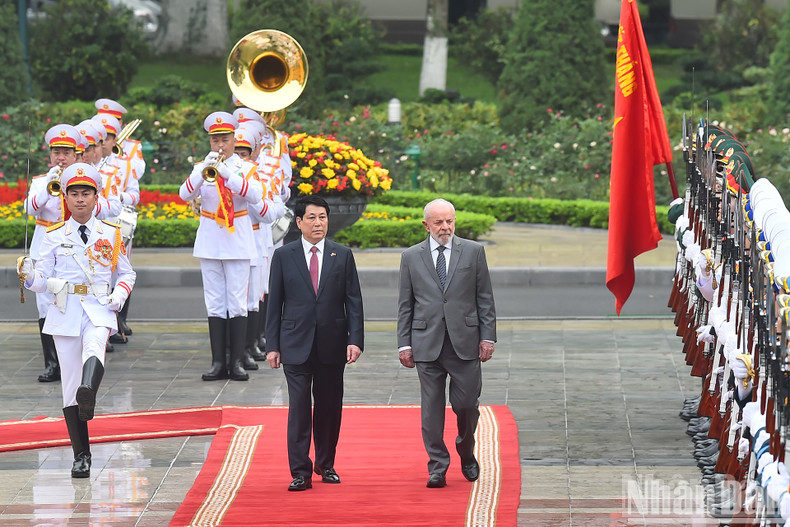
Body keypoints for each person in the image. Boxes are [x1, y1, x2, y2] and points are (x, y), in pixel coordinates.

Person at [17, 163, 136, 478]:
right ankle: (81, 455)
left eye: (86, 193)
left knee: (96, 345)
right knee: (69, 386)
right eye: (74, 193)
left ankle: (89, 389)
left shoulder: (110, 233)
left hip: (99, 306)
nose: (80, 199)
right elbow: (42, 281)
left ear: (96, 197)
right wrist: (29, 276)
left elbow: (126, 273)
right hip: (65, 308)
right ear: (65, 199)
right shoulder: (54, 235)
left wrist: (119, 297)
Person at [265, 195, 364, 491]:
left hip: (333, 344)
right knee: (298, 408)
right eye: (312, 217)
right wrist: (273, 345)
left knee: (329, 407)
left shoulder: (342, 254)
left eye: (322, 217)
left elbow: (354, 302)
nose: (318, 223)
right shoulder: (284, 256)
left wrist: (355, 340)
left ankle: (326, 463)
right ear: (299, 222)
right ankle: (300, 471)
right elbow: (275, 304)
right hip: (294, 343)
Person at [397, 198, 496, 489]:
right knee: (431, 408)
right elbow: (405, 304)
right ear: (426, 225)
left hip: (464, 342)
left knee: (466, 405)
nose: (445, 227)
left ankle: (466, 451)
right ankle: (437, 466)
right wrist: (404, 343)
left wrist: (487, 337)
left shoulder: (474, 252)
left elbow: (485, 298)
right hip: (426, 342)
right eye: (439, 222)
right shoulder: (411, 257)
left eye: (449, 221)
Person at [25, 124, 119, 381]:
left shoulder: (86, 178)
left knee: (73, 305)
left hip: (77, 252)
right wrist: (49, 185)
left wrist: (82, 198)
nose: (61, 157)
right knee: (45, 307)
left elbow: (111, 208)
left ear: (76, 154)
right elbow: (31, 208)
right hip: (46, 246)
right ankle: (51, 363)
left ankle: (75, 358)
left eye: (66, 152)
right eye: (56, 151)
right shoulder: (41, 181)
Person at [179, 111, 262, 381]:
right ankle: (218, 362)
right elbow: (184, 194)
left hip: (236, 239)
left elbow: (255, 195)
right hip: (211, 240)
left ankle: (236, 361)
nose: (220, 146)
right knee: (215, 302)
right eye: (215, 140)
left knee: (237, 302)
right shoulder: (203, 166)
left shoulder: (246, 168)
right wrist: (205, 173)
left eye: (224, 140)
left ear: (233, 139)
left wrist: (228, 174)